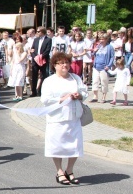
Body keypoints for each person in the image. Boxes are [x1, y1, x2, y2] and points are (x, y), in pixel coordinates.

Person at [41, 52, 88, 185]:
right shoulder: (49, 81)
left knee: (75, 146)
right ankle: (59, 171)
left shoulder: (75, 78)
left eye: (66, 62)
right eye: (61, 63)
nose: (64, 65)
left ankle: (70, 170)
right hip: (57, 118)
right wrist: (62, 98)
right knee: (57, 146)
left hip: (74, 117)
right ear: (54, 65)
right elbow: (45, 99)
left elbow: (85, 92)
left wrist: (79, 95)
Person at [91, 34, 114, 103]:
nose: (101, 41)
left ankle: (103, 97)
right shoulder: (98, 46)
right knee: (95, 81)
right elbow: (93, 55)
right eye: (100, 39)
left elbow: (112, 57)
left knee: (104, 81)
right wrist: (94, 51)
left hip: (104, 67)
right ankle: (95, 96)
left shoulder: (109, 47)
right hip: (96, 66)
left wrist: (109, 66)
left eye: (103, 39)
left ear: (106, 40)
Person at [30, 27, 52, 97]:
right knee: (34, 76)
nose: (37, 32)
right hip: (35, 60)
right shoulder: (36, 40)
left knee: (43, 76)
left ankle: (41, 91)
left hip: (43, 60)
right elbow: (32, 49)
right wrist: (35, 57)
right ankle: (33, 92)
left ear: (42, 32)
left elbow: (47, 50)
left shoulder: (48, 40)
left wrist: (41, 57)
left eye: (39, 31)